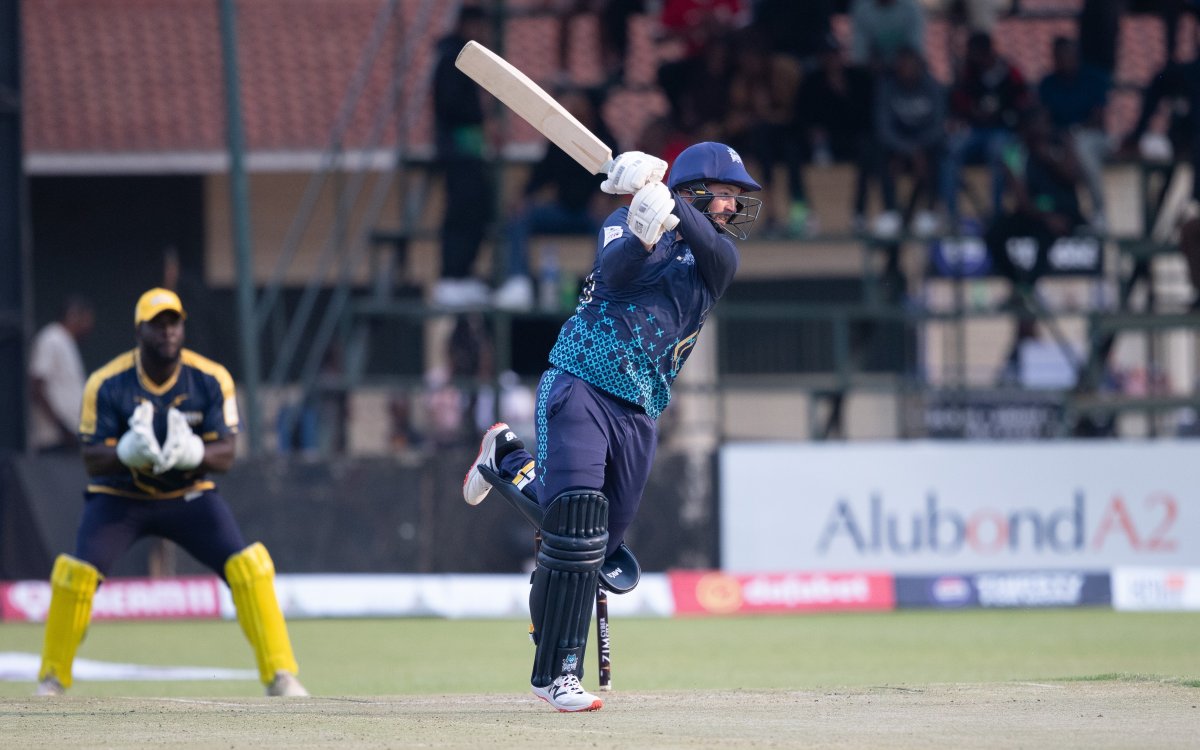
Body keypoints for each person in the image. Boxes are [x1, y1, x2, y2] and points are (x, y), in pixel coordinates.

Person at [461, 142, 761, 711]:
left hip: (641, 408)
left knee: (597, 545)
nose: (732, 206)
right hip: (582, 379)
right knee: (575, 528)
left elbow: (712, 256)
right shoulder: (624, 222)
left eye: (736, 197)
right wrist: (644, 229)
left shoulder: (717, 254)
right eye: (725, 193)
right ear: (697, 188)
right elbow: (614, 273)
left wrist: (668, 199)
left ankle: (505, 458)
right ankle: (558, 673)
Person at [34, 288, 307, 698]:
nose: (167, 332)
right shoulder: (107, 383)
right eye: (157, 324)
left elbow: (227, 452)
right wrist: (125, 453)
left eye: (173, 323)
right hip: (122, 497)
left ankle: (281, 674)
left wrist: (192, 453)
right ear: (139, 331)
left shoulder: (210, 378)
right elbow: (91, 457)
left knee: (249, 567)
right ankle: (52, 679)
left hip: (188, 495)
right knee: (76, 575)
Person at [494, 88, 618, 310]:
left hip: (591, 215)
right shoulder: (561, 142)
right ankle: (518, 282)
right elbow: (541, 175)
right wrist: (523, 197)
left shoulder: (606, 142)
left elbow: (617, 178)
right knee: (521, 217)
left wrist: (605, 197)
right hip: (562, 210)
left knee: (610, 228)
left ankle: (601, 287)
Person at [431, 5, 494, 307]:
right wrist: (481, 118)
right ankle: (452, 275)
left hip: (468, 147)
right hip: (458, 148)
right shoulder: (453, 59)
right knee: (462, 210)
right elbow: (450, 104)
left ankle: (463, 273)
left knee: (478, 207)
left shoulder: (459, 59)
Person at [941, 31, 1032, 232]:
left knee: (999, 151)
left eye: (974, 53)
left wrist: (1005, 116)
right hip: (975, 131)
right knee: (951, 149)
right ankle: (951, 215)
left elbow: (1024, 104)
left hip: (1004, 131)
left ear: (986, 52)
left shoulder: (1010, 72)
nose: (972, 58)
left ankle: (997, 213)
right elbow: (958, 103)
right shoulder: (968, 73)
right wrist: (971, 112)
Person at [1037, 36, 1111, 232]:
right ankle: (1060, 213)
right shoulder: (1048, 83)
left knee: (1082, 147)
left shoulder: (1093, 78)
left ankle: (1099, 211)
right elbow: (1043, 120)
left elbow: (1098, 121)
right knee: (1043, 152)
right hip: (1059, 139)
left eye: (1067, 55)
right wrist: (1060, 136)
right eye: (1059, 57)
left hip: (1093, 138)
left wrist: (1072, 133)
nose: (1064, 61)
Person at [873, 46, 946, 239]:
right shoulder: (887, 88)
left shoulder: (932, 87)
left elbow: (939, 126)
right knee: (880, 152)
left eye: (910, 66)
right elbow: (883, 128)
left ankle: (929, 212)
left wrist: (918, 149)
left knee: (937, 155)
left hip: (926, 146)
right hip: (898, 147)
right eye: (902, 66)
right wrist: (907, 149)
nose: (906, 70)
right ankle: (890, 212)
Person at [28, 296, 94, 453]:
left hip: (69, 437)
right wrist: (62, 428)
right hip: (53, 439)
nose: (89, 326)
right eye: (86, 319)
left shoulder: (67, 342)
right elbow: (36, 385)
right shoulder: (51, 338)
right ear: (73, 316)